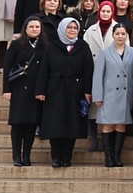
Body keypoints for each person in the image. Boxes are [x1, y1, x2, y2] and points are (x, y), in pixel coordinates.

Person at [35, 16, 93, 168]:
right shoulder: (52, 47)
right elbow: (44, 70)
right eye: (69, 28)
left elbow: (88, 70)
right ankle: (56, 156)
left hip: (76, 90)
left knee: (72, 124)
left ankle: (67, 156)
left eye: (75, 28)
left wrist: (88, 90)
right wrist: (40, 90)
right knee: (56, 123)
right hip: (55, 89)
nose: (72, 30)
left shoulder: (83, 46)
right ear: (62, 29)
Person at [90, 23, 133, 167]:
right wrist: (98, 96)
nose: (120, 36)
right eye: (117, 34)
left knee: (121, 125)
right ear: (113, 35)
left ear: (127, 35)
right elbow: (98, 76)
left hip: (125, 94)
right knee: (108, 125)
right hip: (109, 95)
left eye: (123, 34)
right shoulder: (104, 52)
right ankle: (108, 157)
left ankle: (117, 157)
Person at [3, 16, 46, 167]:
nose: (34, 29)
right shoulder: (16, 45)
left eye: (37, 27)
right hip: (19, 88)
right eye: (31, 27)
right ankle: (16, 155)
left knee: (31, 124)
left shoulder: (44, 46)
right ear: (25, 29)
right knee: (17, 124)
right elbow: (7, 67)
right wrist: (6, 90)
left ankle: (26, 154)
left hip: (36, 89)